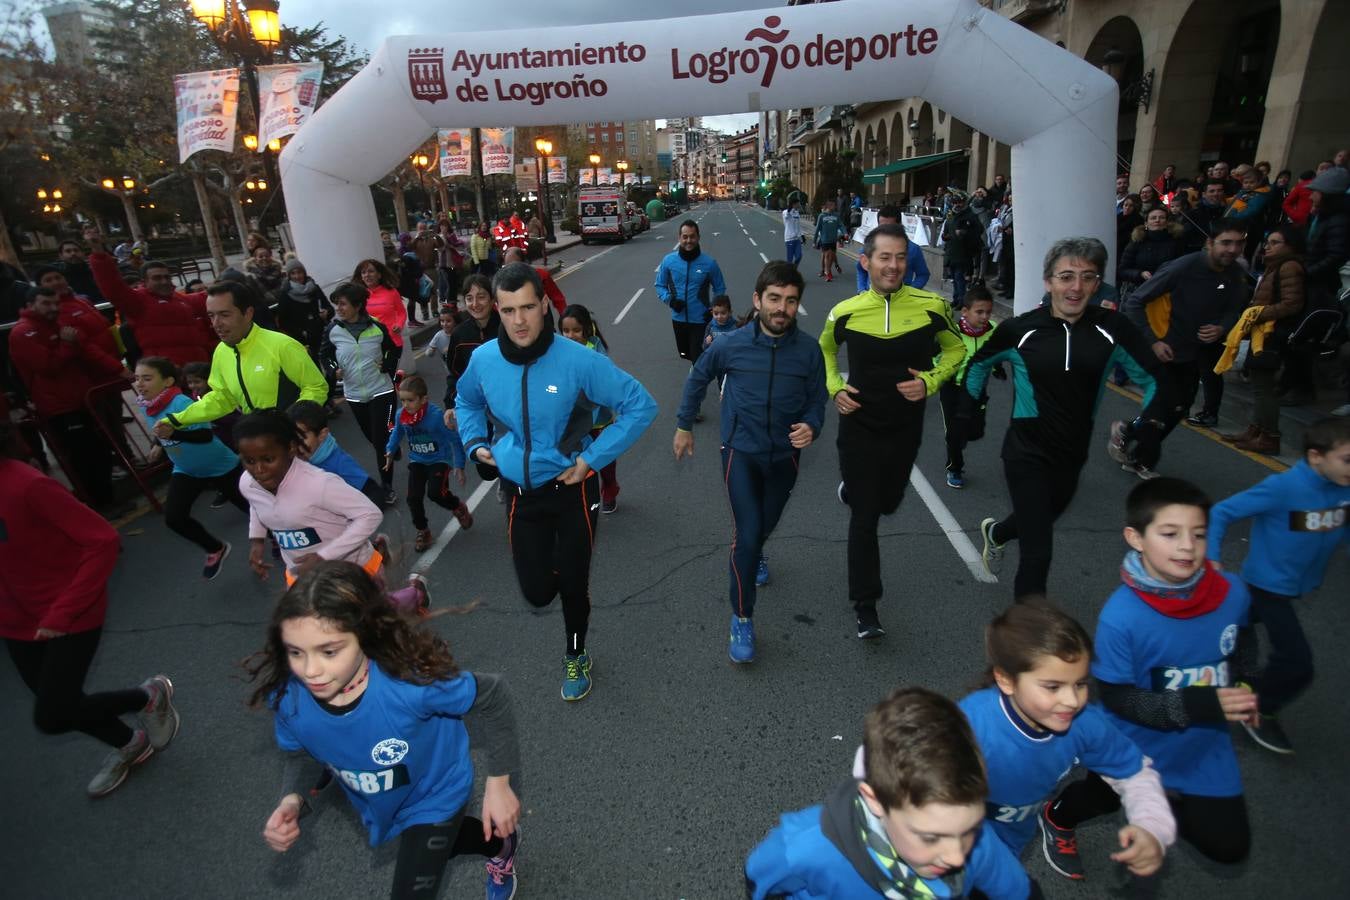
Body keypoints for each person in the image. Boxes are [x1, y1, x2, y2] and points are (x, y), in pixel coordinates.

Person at [250, 561, 522, 899]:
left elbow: (493, 695)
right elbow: (302, 752)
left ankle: (496, 843)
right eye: (295, 652)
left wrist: (499, 783)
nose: (310, 670)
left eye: (329, 651)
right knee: (442, 847)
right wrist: (291, 799)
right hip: (387, 803)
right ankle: (500, 842)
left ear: (363, 635)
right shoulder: (289, 698)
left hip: (436, 792)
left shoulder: (408, 684)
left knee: (421, 864)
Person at [455, 263, 657, 701]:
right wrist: (474, 444)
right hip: (519, 493)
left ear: (544, 304)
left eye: (528, 307)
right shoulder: (484, 359)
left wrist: (590, 460)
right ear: (496, 309)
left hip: (571, 489)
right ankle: (560, 582)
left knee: (572, 580)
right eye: (508, 310)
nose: (519, 320)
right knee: (537, 591)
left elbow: (640, 405)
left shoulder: (579, 359)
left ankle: (576, 653)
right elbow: (466, 400)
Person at [1052, 477, 1257, 866]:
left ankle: (1157, 813)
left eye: (1199, 534)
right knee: (1097, 800)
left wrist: (1245, 683)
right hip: (1134, 749)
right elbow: (1116, 695)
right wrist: (1196, 704)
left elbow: (1244, 637)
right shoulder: (1122, 617)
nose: (1187, 546)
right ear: (1136, 537)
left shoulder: (1232, 592)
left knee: (1229, 847)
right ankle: (1058, 817)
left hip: (1203, 747)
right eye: (1170, 533)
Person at [966, 237, 1170, 598]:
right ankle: (1029, 638)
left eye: (1087, 277)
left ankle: (997, 533)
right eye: (1066, 276)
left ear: (1097, 284)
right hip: (1024, 451)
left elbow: (1155, 379)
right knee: (1038, 549)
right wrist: (971, 409)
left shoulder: (1113, 329)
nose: (1076, 287)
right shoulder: (1020, 329)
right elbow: (978, 364)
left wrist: (1150, 425)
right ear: (1048, 281)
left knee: (1040, 519)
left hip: (1072, 455)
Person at [0, 422, 180, 798]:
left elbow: (102, 540)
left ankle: (146, 697)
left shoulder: (26, 484)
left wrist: (62, 613)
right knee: (61, 704)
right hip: (14, 622)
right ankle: (131, 743)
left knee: (51, 715)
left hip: (69, 611)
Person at [745, 687, 1034, 900]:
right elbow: (761, 881)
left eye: (970, 829)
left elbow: (1018, 892)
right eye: (931, 837)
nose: (957, 857)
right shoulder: (808, 846)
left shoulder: (978, 844)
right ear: (875, 801)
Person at [952, 604, 1173, 882]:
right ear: (1006, 680)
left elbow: (1135, 771)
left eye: (1080, 684)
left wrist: (1152, 827)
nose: (1072, 700)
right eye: (1053, 687)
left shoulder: (1083, 724)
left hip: (1007, 846)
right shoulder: (970, 727)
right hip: (946, 847)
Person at [673, 262, 825, 664]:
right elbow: (697, 378)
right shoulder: (730, 345)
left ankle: (756, 550)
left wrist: (812, 425)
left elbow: (817, 399)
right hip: (740, 452)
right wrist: (684, 425)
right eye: (774, 299)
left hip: (785, 458)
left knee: (763, 529)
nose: (782, 308)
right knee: (748, 532)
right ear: (758, 300)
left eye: (791, 301)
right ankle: (742, 616)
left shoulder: (809, 351)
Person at [822, 224, 965, 638]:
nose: (894, 265)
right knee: (865, 517)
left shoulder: (932, 307)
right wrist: (835, 389)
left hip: (904, 424)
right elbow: (825, 351)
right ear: (866, 262)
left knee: (890, 500)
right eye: (885, 257)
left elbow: (956, 350)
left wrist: (930, 382)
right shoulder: (845, 312)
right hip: (858, 422)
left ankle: (856, 490)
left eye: (901, 256)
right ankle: (866, 606)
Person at [1207, 417, 1350, 754]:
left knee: (1241, 617)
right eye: (1347, 459)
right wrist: (1212, 559)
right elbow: (1221, 513)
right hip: (1268, 584)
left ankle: (1220, 634)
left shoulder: (1343, 489)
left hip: (1298, 584)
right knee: (1297, 662)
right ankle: (1259, 704)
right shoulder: (1283, 488)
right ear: (1316, 457)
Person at [151, 282, 329, 439]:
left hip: (306, 444)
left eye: (224, 314)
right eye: (211, 315)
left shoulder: (282, 345)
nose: (216, 323)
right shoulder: (221, 351)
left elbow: (316, 387)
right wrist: (176, 420)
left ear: (248, 313)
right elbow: (222, 399)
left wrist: (293, 424)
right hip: (266, 446)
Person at [1122, 221, 1249, 435]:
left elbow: (1234, 310)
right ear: (1210, 243)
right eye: (1226, 243)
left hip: (1200, 352)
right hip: (1168, 351)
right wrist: (1153, 342)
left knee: (1180, 407)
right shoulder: (1182, 267)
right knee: (1163, 407)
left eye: (1238, 244)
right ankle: (1138, 449)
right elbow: (1134, 302)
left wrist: (1221, 328)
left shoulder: (1236, 272)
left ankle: (1129, 436)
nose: (1233, 249)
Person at [8, 286, 126, 509]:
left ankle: (107, 501)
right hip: (59, 407)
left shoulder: (59, 326)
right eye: (46, 304)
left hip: (81, 400)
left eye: (55, 304)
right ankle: (98, 504)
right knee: (83, 457)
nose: (53, 308)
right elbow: (47, 366)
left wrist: (119, 369)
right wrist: (67, 344)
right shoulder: (23, 332)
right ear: (30, 305)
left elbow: (88, 350)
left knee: (98, 451)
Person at [133, 356, 248, 578]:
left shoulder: (181, 403)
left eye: (147, 378)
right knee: (174, 518)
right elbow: (161, 430)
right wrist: (157, 445)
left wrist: (174, 433)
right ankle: (215, 548)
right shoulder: (147, 407)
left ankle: (282, 539)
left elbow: (205, 435)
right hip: (186, 470)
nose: (139, 384)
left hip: (221, 466)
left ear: (167, 382)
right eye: (137, 378)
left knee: (255, 509)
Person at [1220, 226, 1306, 454]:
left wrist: (1256, 313)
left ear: (1290, 246)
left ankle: (1269, 436)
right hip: (1262, 333)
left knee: (1264, 388)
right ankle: (1255, 430)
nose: (1268, 246)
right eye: (1268, 241)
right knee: (1259, 386)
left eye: (1275, 242)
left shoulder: (1289, 267)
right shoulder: (1275, 266)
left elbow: (1292, 304)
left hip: (1272, 334)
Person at [84, 226, 215, 366]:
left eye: (167, 277)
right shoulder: (137, 302)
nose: (164, 281)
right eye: (157, 278)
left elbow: (208, 298)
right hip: (167, 374)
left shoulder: (181, 299)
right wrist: (98, 252)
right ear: (144, 282)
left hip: (200, 371)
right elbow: (111, 285)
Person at [322, 282, 401, 505]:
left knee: (380, 439)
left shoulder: (376, 327)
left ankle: (387, 486)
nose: (338, 308)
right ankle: (390, 446)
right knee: (373, 438)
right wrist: (331, 368)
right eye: (337, 304)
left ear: (357, 306)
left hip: (382, 391)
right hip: (355, 394)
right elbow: (325, 354)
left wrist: (386, 364)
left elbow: (392, 350)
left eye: (343, 304)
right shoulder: (333, 329)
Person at [385, 374, 473, 552]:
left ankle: (457, 507)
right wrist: (389, 451)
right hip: (418, 460)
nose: (406, 405)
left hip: (439, 460)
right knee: (413, 498)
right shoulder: (402, 415)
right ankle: (423, 531)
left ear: (424, 399)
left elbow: (454, 441)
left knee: (435, 493)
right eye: (402, 400)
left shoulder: (435, 416)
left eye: (410, 400)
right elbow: (397, 434)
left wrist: (459, 466)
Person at [559, 304, 622, 514]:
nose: (570, 335)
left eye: (576, 330)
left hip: (600, 420)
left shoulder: (596, 351)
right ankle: (584, 497)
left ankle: (610, 488)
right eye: (566, 331)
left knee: (604, 460)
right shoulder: (558, 352)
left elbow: (607, 380)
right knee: (580, 462)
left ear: (587, 328)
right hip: (574, 423)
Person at [939, 286, 997, 490]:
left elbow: (1002, 350)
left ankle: (963, 435)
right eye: (979, 312)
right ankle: (955, 467)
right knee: (953, 434)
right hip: (952, 389)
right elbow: (936, 357)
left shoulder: (994, 330)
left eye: (988, 312)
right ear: (965, 311)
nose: (985, 317)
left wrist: (997, 366)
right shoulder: (951, 333)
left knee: (975, 432)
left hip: (977, 389)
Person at [287, 400, 388, 509]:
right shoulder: (292, 457)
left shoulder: (340, 463)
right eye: (290, 438)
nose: (295, 445)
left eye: (301, 438)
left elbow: (374, 493)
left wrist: (353, 519)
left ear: (322, 435)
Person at [655, 220, 727, 363]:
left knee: (698, 357)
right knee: (684, 354)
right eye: (685, 237)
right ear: (679, 238)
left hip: (701, 320)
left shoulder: (709, 263)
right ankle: (694, 368)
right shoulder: (668, 261)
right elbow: (659, 285)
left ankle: (696, 376)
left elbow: (720, 288)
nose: (689, 241)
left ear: (698, 237)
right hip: (678, 319)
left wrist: (713, 309)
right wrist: (670, 300)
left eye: (692, 236)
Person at [443, 275, 500, 409]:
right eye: (469, 298)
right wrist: (451, 405)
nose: (475, 304)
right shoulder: (459, 334)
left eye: (481, 297)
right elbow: (455, 374)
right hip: (474, 406)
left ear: (492, 300)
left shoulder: (507, 328)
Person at [855, 206, 930, 291]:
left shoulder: (913, 249)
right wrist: (861, 290)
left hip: (901, 302)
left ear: (899, 224)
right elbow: (861, 269)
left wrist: (910, 291)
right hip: (872, 301)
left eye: (900, 257)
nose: (886, 231)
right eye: (882, 227)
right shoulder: (869, 245)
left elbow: (923, 275)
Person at [1117, 208, 1186, 298]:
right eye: (1153, 218)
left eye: (1161, 217)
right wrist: (1140, 274)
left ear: (1167, 222)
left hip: (1168, 291)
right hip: (1139, 290)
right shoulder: (1137, 241)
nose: (1157, 220)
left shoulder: (1176, 242)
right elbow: (1123, 270)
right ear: (1146, 223)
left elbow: (1182, 267)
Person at [351, 258, 410, 359]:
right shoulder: (358, 295)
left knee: (389, 374)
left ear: (379, 275)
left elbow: (401, 312)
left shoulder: (391, 292)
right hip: (369, 344)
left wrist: (399, 325)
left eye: (371, 271)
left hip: (392, 342)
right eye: (363, 272)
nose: (367, 275)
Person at [274, 259, 329, 354]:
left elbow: (328, 307)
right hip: (304, 340)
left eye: (299, 272)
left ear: (304, 272)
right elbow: (283, 321)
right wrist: (301, 333)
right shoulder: (285, 294)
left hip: (322, 334)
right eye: (293, 273)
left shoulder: (314, 288)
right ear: (289, 276)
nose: (297, 276)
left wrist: (327, 312)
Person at [941, 191, 981, 305]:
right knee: (954, 277)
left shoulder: (970, 215)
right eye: (954, 202)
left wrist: (965, 233)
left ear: (963, 203)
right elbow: (946, 232)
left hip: (963, 252)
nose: (956, 205)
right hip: (951, 251)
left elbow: (978, 231)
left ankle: (961, 300)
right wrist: (945, 236)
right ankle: (956, 298)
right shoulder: (951, 215)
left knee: (959, 277)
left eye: (959, 202)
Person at [502, 247, 565, 314]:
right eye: (507, 267)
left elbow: (558, 299)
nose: (511, 270)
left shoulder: (541, 275)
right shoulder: (501, 281)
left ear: (523, 263)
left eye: (515, 266)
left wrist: (564, 317)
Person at [57, 239, 105, 303]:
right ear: (61, 256)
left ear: (83, 253)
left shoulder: (95, 270)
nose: (73, 253)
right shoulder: (59, 277)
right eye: (68, 251)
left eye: (76, 250)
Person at [813, 199, 843, 281]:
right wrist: (814, 241)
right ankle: (826, 272)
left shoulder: (836, 215)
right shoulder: (822, 215)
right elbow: (817, 229)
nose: (835, 206)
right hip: (823, 239)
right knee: (826, 255)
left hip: (832, 238)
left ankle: (830, 269)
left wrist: (845, 233)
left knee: (832, 255)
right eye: (833, 205)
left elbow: (841, 225)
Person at [782, 197, 804, 268]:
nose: (799, 205)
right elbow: (786, 216)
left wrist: (802, 236)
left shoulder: (797, 213)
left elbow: (798, 226)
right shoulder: (785, 212)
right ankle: (789, 274)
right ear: (793, 204)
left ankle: (793, 269)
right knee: (790, 259)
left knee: (799, 256)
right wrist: (789, 209)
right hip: (789, 239)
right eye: (798, 204)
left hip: (797, 239)